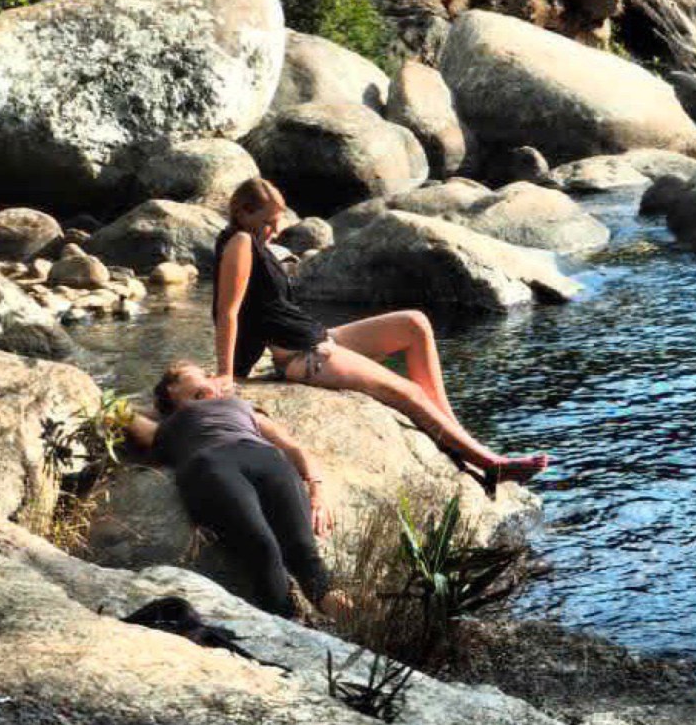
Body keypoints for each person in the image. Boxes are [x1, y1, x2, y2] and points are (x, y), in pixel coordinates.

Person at [212, 177, 549, 492]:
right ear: (244, 213)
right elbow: (229, 312)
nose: (276, 228)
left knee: (414, 324)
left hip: (315, 337)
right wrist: (228, 375)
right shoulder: (240, 242)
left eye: (278, 219)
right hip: (304, 356)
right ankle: (491, 464)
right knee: (408, 392)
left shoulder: (247, 239)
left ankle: (454, 431)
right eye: (268, 221)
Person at [124, 360, 351, 621]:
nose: (211, 378)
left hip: (267, 458)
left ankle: (356, 628)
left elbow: (292, 447)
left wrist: (316, 489)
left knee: (304, 552)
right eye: (199, 374)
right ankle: (289, 627)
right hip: (211, 465)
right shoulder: (170, 424)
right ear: (172, 389)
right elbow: (126, 418)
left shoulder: (241, 406)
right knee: (261, 547)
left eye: (210, 375)